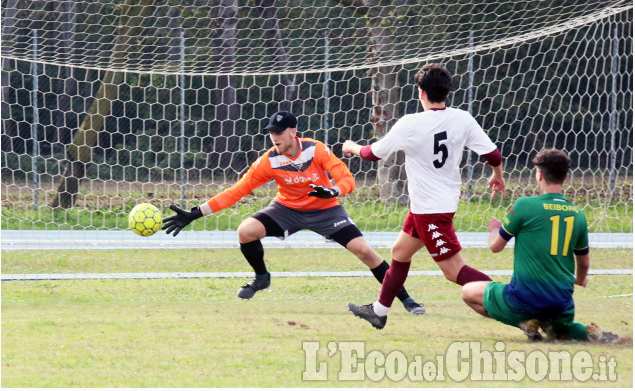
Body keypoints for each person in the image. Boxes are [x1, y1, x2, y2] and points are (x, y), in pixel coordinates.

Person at [162, 110, 426, 314]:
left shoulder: (316, 150)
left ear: (293, 132)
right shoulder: (268, 160)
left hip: (326, 210)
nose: (274, 137)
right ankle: (262, 278)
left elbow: (347, 178)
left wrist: (333, 191)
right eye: (270, 133)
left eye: (279, 132)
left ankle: (406, 299)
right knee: (246, 231)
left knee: (365, 252)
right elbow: (237, 190)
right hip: (286, 209)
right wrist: (196, 213)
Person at [344, 63, 505, 329]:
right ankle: (379, 311)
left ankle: (513, 301)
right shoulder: (462, 118)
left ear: (420, 92)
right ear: (447, 92)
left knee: (455, 272)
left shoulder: (410, 124)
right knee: (399, 252)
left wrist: (352, 147)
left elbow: (373, 154)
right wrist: (497, 175)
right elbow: (493, 154)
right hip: (430, 207)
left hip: (431, 212)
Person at [461, 149, 619, 343]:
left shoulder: (524, 205)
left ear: (539, 174)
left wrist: (495, 229)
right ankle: (589, 332)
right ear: (566, 176)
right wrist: (579, 279)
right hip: (561, 303)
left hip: (524, 299)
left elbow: (495, 246)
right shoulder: (578, 214)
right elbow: (584, 263)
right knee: (559, 330)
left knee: (468, 292)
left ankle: (526, 322)